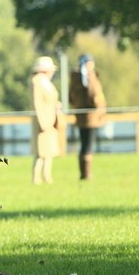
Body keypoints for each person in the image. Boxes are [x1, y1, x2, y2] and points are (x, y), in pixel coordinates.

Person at [69, 53, 106, 181]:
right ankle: (86, 174)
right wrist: (98, 106)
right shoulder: (89, 76)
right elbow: (94, 95)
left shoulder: (75, 78)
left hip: (80, 116)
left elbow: (71, 98)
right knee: (88, 146)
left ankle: (83, 173)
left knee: (84, 144)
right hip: (91, 117)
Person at [30, 57, 61, 185]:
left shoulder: (46, 82)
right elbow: (37, 103)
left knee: (48, 151)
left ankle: (47, 176)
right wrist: (42, 122)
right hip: (42, 121)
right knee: (40, 152)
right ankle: (36, 177)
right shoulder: (37, 82)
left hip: (50, 119)